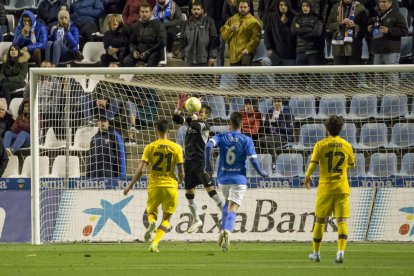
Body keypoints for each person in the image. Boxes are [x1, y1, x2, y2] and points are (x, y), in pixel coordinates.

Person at [205, 111, 268, 252]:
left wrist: (208, 166)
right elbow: (253, 160)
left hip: (223, 179)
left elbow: (208, 146)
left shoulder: (221, 136)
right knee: (233, 207)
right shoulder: (247, 140)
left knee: (227, 204)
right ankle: (227, 231)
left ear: (229, 124)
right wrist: (261, 173)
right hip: (239, 179)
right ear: (242, 125)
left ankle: (222, 231)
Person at [124, 119, 184, 253]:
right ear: (168, 131)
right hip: (170, 186)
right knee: (167, 218)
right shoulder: (177, 147)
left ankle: (151, 223)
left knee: (151, 212)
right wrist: (180, 180)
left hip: (154, 186)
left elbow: (140, 170)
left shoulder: (150, 147)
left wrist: (129, 186)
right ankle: (155, 244)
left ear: (156, 131)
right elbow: (181, 171)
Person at [304, 115, 355, 263]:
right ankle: (340, 252)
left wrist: (307, 176)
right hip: (342, 188)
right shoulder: (346, 145)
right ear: (341, 129)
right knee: (342, 222)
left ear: (326, 129)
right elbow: (352, 164)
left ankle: (316, 253)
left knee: (320, 221)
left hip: (325, 188)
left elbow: (313, 163)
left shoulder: (320, 145)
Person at [172, 93, 224, 233]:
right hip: (188, 163)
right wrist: (178, 107)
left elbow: (195, 124)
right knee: (189, 193)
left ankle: (226, 214)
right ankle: (197, 220)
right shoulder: (192, 123)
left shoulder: (205, 126)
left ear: (206, 116)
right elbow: (176, 119)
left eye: (202, 112)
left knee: (210, 191)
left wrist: (193, 114)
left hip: (201, 163)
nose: (199, 114)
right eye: (199, 111)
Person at [123, 2, 167, 67]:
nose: (144, 14)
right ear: (139, 13)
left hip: (154, 53)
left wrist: (148, 52)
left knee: (153, 58)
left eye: (146, 12)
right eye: (142, 12)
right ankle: (134, 76)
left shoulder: (159, 25)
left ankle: (147, 76)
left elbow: (162, 43)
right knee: (126, 61)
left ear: (151, 13)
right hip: (139, 54)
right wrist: (134, 51)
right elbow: (131, 42)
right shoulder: (135, 26)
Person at [220, 0, 261, 66]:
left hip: (246, 54)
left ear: (249, 8)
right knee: (236, 75)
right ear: (238, 8)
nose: (243, 9)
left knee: (244, 74)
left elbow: (255, 39)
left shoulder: (254, 22)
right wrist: (230, 29)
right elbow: (223, 35)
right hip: (233, 56)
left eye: (245, 7)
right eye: (241, 7)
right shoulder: (232, 19)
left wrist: (248, 49)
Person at [86, 112, 126, 178]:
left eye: (105, 121)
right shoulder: (93, 138)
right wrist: (87, 176)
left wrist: (122, 176)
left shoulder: (114, 135)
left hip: (110, 174)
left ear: (108, 123)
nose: (103, 123)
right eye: (101, 121)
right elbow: (90, 158)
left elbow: (121, 155)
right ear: (97, 123)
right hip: (94, 175)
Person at [327, 0, 368, 65]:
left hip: (354, 48)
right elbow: (328, 26)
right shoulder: (335, 7)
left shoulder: (360, 8)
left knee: (352, 74)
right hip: (338, 49)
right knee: (338, 74)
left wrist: (355, 26)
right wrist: (341, 23)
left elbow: (365, 29)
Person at [367, 0, 408, 65]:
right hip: (378, 51)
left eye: (384, 1)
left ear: (390, 2)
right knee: (377, 75)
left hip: (391, 51)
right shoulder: (378, 15)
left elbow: (404, 31)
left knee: (391, 74)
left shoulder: (397, 14)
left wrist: (389, 30)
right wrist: (371, 30)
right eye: (380, 2)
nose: (382, 4)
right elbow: (377, 33)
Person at [179, 1, 218, 67]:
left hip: (205, 60)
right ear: (191, 10)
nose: (196, 11)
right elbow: (183, 39)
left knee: (205, 77)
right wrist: (183, 54)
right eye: (194, 9)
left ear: (202, 10)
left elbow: (214, 39)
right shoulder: (186, 23)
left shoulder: (209, 21)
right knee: (192, 77)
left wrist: (213, 56)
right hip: (190, 60)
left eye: (198, 9)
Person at [262, 99, 295, 171]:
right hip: (271, 136)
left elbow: (290, 131)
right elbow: (265, 128)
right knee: (259, 141)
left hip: (283, 137)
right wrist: (268, 124)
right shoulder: (270, 112)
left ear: (282, 102)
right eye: (275, 102)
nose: (277, 103)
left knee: (267, 141)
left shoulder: (288, 113)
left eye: (279, 101)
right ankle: (260, 164)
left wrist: (277, 125)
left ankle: (274, 164)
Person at [263, 0, 297, 66]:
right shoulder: (272, 17)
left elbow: (292, 35)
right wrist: (268, 47)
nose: (283, 7)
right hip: (276, 51)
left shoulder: (294, 17)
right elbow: (267, 33)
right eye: (281, 5)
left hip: (291, 51)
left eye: (285, 5)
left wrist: (284, 24)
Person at [291, 0, 324, 65]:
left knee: (313, 74)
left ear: (311, 7)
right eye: (303, 6)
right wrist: (308, 29)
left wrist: (301, 34)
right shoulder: (297, 18)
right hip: (300, 52)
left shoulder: (317, 18)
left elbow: (317, 33)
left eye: (307, 6)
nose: (305, 8)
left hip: (313, 52)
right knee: (301, 74)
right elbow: (294, 30)